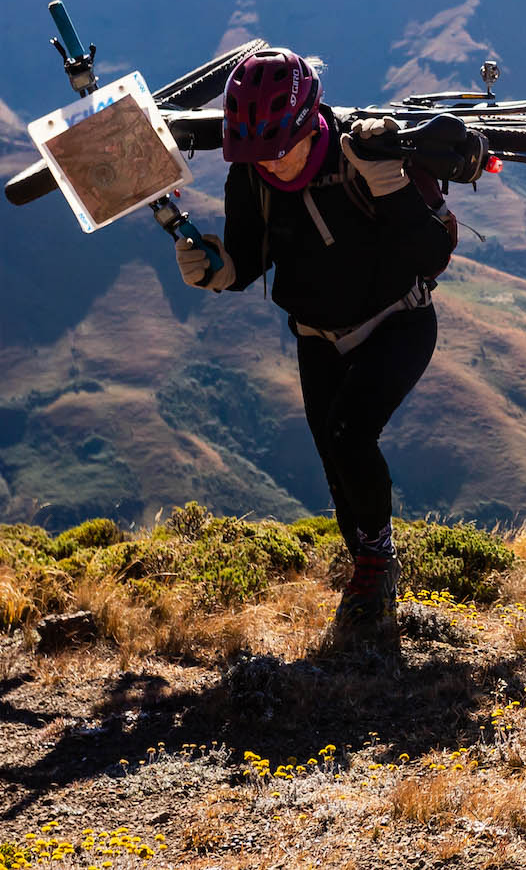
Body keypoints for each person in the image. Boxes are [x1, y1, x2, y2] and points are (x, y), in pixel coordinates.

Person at [171, 47, 466, 642]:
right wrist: (216, 270)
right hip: (316, 337)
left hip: (398, 323)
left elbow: (432, 255)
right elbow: (252, 258)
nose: (272, 168)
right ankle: (367, 571)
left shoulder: (366, 158)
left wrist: (390, 187)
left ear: (311, 124)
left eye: (281, 151)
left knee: (347, 434)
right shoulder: (251, 172)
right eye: (258, 157)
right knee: (335, 462)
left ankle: (377, 567)